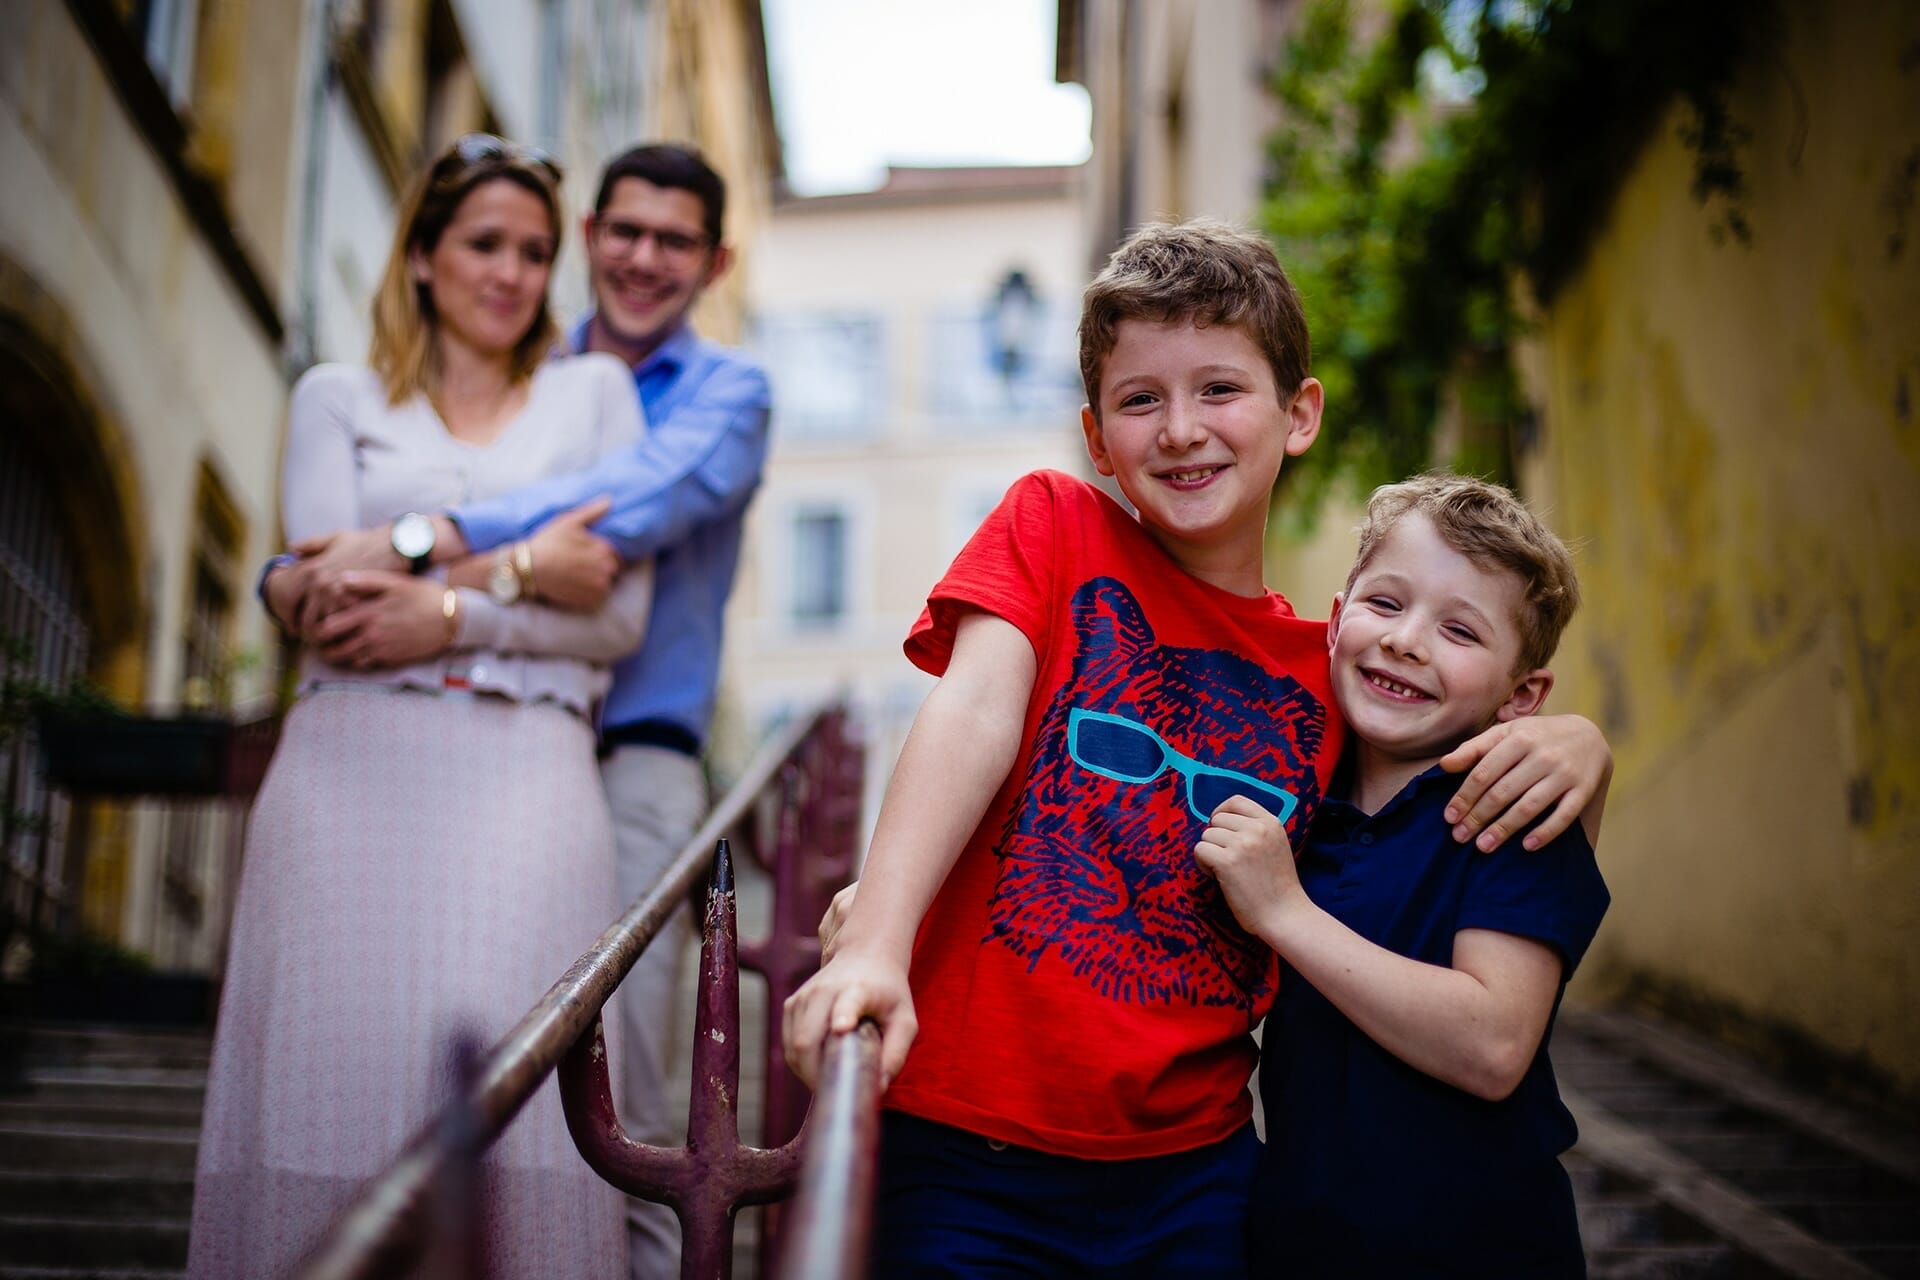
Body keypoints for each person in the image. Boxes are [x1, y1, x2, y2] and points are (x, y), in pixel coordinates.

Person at [782, 219, 1612, 1277]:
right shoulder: (1054, 525)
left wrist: (1581, 744)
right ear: (1096, 435)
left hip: (1196, 1170)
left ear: (1297, 413)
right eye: (1141, 399)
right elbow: (973, 713)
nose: (1181, 429)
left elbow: (1449, 750)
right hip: (966, 1147)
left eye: (1219, 389)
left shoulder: (1340, 671)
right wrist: (879, 934)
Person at [261, 142, 770, 1278]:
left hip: (629, 751)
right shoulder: (531, 368)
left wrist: (428, 545)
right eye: (621, 232)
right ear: (592, 240)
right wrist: (293, 578)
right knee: (406, 1059)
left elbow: (629, 508)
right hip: (429, 749)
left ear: (713, 259)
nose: (642, 258)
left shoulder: (723, 393)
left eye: (675, 239)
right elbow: (310, 572)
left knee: (622, 1084)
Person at [190, 134, 649, 1277]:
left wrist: (447, 610)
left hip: (529, 768)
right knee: (321, 1082)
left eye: (536, 252)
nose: (512, 272)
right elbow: (329, 594)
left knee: (522, 1078)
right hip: (348, 769)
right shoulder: (334, 396)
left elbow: (613, 615)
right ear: (423, 258)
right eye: (485, 243)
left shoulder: (595, 395)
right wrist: (526, 561)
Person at [1195, 473, 1608, 1276]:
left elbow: (1493, 1046)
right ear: (1338, 615)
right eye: (1385, 605)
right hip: (1299, 1241)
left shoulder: (1512, 803)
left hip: (1477, 1251)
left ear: (1522, 696)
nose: (1407, 640)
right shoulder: (1292, 789)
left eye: (1460, 631)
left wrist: (1285, 913)